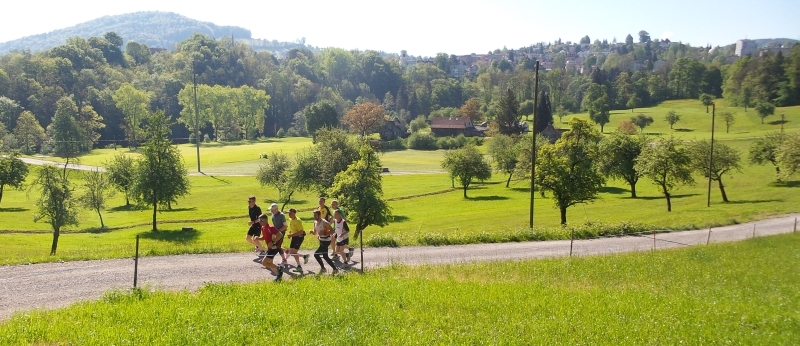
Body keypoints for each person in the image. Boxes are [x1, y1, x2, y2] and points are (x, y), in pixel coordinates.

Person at [257, 214, 283, 281]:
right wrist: (258, 238)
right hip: (270, 248)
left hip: (274, 248)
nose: (259, 222)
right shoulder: (263, 227)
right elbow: (264, 237)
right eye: (259, 220)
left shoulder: (270, 227)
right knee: (270, 263)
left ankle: (279, 268)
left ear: (266, 220)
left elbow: (280, 235)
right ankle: (278, 277)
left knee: (264, 263)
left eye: (261, 220)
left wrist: (273, 242)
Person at [285, 208, 310, 272]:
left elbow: (301, 232)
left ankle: (299, 266)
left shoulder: (298, 221)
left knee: (294, 252)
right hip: (294, 237)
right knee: (291, 252)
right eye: (288, 213)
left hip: (299, 238)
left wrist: (291, 235)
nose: (289, 214)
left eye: (290, 213)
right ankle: (304, 257)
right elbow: (293, 229)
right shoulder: (291, 219)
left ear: (294, 213)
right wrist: (290, 233)